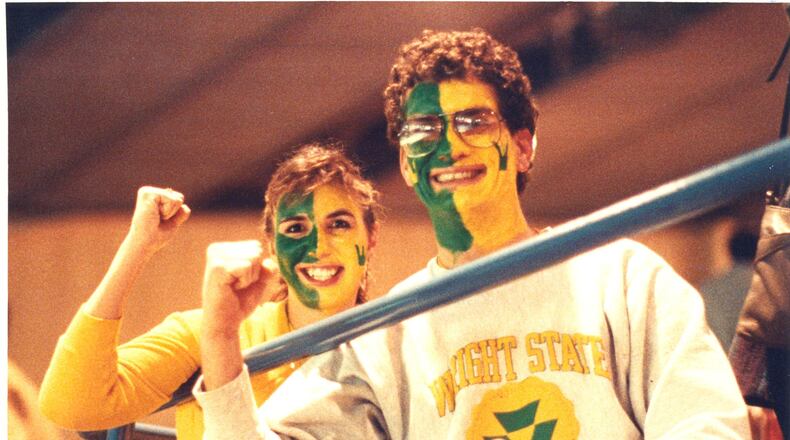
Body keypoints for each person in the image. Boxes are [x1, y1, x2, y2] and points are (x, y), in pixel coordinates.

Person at [194, 29, 750, 438]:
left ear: (524, 145)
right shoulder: (382, 334)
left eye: (473, 122)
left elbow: (704, 421)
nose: (449, 145)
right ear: (409, 166)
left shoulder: (623, 277)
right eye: (424, 130)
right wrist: (220, 340)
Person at [38, 140, 380, 439]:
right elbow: (72, 405)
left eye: (338, 224)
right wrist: (138, 246)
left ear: (371, 235)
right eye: (294, 228)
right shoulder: (207, 333)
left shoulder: (397, 347)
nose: (317, 247)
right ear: (272, 246)